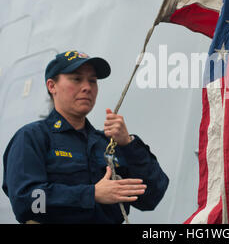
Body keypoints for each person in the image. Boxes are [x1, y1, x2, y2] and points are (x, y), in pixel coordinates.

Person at [2, 50, 169, 223]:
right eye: (76, 79)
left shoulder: (108, 144)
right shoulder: (32, 138)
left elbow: (151, 197)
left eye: (92, 81)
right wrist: (91, 194)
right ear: (52, 86)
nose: (87, 87)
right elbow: (26, 201)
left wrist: (128, 144)